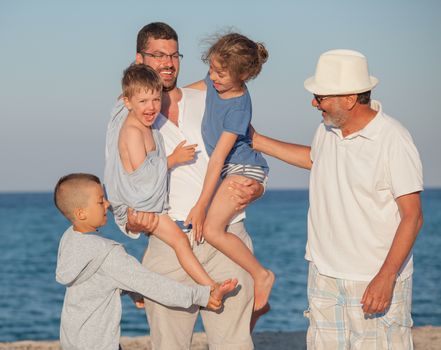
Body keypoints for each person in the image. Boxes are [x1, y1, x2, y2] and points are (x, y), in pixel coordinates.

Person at [252, 49, 423, 349]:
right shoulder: (327, 130)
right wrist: (257, 141)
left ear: (350, 98)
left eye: (321, 96)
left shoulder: (393, 139)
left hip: (372, 278)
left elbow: (413, 216)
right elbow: (315, 159)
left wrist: (386, 277)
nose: (313, 102)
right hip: (324, 276)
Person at [110, 22, 265, 349]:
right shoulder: (129, 116)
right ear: (139, 59)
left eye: (174, 55)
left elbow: (246, 149)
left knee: (235, 344)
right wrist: (130, 221)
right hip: (169, 244)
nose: (168, 63)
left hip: (226, 236)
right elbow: (119, 177)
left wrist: (257, 187)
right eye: (157, 55)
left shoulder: (211, 95)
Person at [54, 173, 236, 350]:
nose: (107, 204)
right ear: (81, 213)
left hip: (72, 341)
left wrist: (133, 292)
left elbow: (99, 281)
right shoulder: (107, 253)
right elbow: (155, 285)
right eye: (101, 201)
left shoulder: (69, 240)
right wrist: (203, 296)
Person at [104, 63, 226, 291]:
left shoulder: (144, 124)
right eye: (143, 102)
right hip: (141, 205)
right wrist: (173, 159)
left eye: (156, 100)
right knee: (180, 241)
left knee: (177, 243)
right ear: (127, 102)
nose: (151, 107)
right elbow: (144, 175)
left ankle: (137, 291)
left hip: (147, 203)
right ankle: (211, 287)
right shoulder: (131, 131)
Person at [185, 33, 275, 311]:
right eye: (211, 69)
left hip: (243, 168)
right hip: (231, 168)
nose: (213, 77)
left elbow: (218, 159)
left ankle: (262, 275)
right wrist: (161, 96)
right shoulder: (216, 81)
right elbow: (193, 89)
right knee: (213, 228)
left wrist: (201, 205)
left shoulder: (238, 108)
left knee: (211, 228)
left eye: (220, 73)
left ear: (243, 74)